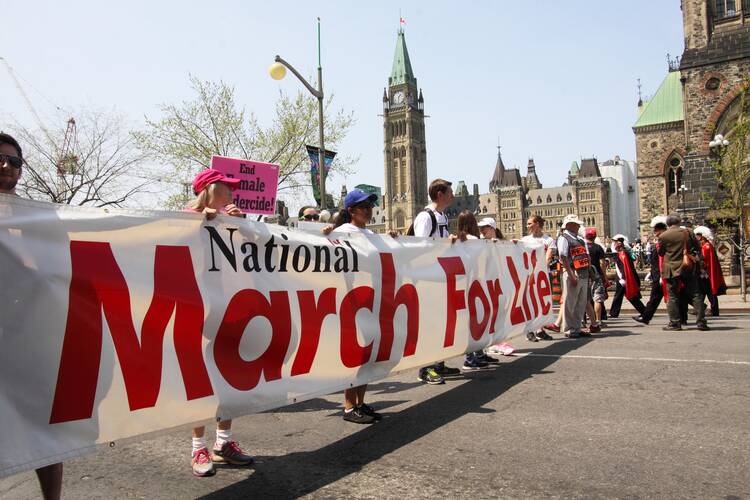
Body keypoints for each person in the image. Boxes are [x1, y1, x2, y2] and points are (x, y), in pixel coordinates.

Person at [1, 132, 63, 500]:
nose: (6, 166)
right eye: (0, 158)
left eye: (15, 161)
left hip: (28, 336)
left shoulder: (38, 217)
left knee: (46, 431)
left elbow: (54, 267)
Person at [185, 169, 255, 476]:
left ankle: (223, 443)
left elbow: (260, 249)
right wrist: (199, 217)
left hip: (229, 309)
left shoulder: (232, 219)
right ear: (210, 189)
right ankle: (198, 448)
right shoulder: (186, 217)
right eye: (227, 188)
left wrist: (243, 225)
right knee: (200, 382)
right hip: (198, 310)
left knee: (228, 377)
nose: (232, 194)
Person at [323, 188, 384, 424]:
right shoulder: (342, 232)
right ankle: (349, 407)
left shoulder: (369, 233)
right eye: (363, 207)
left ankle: (360, 402)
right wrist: (326, 234)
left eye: (370, 206)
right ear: (351, 211)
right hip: (351, 298)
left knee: (367, 354)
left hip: (370, 297)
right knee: (357, 354)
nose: (368, 210)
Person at [413, 179, 460, 385]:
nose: (453, 195)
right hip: (428, 279)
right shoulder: (426, 216)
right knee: (430, 326)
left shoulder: (442, 216)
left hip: (442, 278)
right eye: (450, 192)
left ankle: (438, 363)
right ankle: (425, 368)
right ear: (440, 194)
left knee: (442, 324)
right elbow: (419, 248)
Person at [456, 212, 500, 369]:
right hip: (477, 285)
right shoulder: (474, 240)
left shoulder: (456, 240)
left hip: (464, 285)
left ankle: (477, 355)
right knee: (478, 322)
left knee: (471, 323)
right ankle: (471, 357)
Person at [658, 214, 708, 331]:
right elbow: (698, 247)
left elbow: (661, 253)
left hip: (671, 268)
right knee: (696, 294)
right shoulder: (688, 232)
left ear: (668, 224)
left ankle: (675, 322)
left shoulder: (664, 236)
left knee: (673, 295)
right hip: (687, 266)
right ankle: (701, 322)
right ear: (679, 222)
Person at [521, 215, 556, 341]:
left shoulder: (548, 240)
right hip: (529, 276)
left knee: (543, 303)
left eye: (530, 223)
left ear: (537, 224)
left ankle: (540, 329)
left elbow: (548, 257)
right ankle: (530, 330)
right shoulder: (525, 240)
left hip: (543, 276)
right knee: (530, 303)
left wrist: (540, 269)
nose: (527, 226)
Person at [557, 215, 591, 338]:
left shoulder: (579, 239)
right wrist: (571, 275)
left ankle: (576, 327)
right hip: (573, 271)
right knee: (570, 302)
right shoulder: (564, 238)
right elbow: (563, 256)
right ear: (569, 225)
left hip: (582, 272)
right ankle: (569, 329)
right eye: (576, 224)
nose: (578, 226)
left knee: (580, 302)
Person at [634, 216, 668, 325]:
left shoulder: (663, 242)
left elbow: (662, 260)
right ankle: (646, 317)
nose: (655, 233)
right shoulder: (660, 242)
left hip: (662, 274)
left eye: (656, 231)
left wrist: (659, 274)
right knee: (655, 298)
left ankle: (646, 317)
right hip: (658, 274)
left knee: (656, 298)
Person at [608, 235, 646, 318]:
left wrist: (623, 278)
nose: (614, 244)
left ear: (619, 243)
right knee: (622, 295)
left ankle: (644, 311)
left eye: (615, 242)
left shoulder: (622, 254)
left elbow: (624, 268)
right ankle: (614, 313)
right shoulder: (622, 253)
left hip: (624, 278)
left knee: (629, 296)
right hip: (623, 278)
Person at [694, 226, 726, 316]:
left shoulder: (706, 246)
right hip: (705, 274)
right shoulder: (706, 245)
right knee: (704, 292)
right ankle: (700, 308)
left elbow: (703, 261)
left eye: (698, 235)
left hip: (706, 274)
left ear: (702, 236)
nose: (696, 237)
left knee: (707, 292)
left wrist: (697, 260)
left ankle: (711, 310)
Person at [584, 228, 607, 331]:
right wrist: (604, 276)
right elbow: (602, 263)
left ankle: (582, 320)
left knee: (585, 299)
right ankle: (598, 321)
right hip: (596, 275)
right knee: (597, 298)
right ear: (595, 236)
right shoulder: (598, 247)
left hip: (585, 275)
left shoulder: (583, 248)